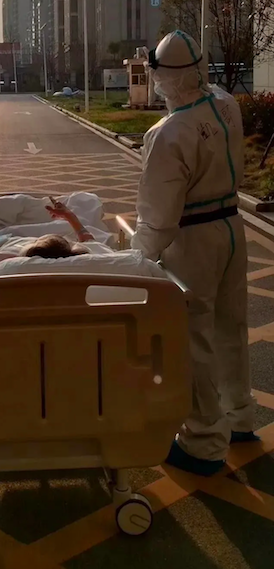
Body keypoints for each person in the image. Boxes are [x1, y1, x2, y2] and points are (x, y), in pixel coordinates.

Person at [130, 30, 257, 477]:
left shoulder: (168, 134)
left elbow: (158, 218)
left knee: (194, 337)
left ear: (163, 78)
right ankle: (239, 417)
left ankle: (203, 442)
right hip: (232, 226)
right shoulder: (225, 103)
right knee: (231, 325)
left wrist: (135, 260)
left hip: (194, 239)